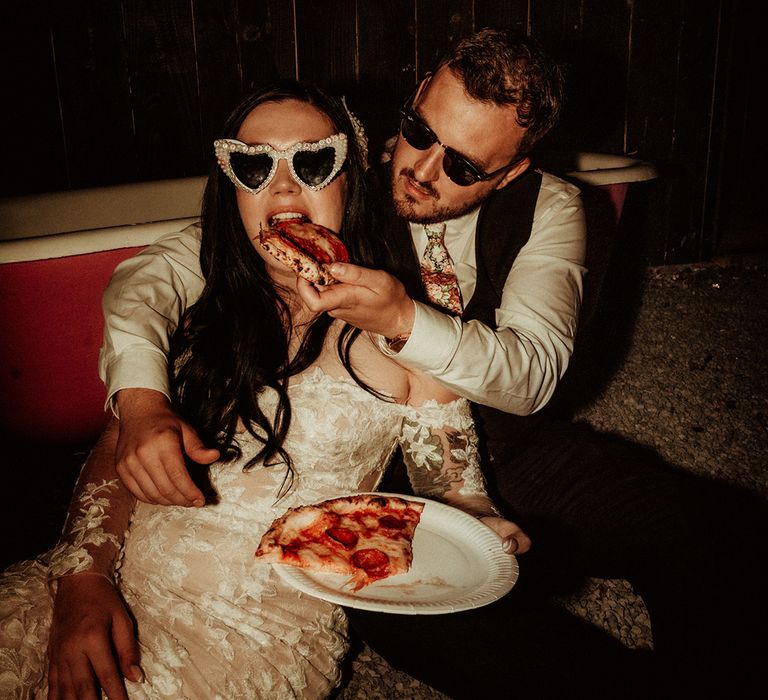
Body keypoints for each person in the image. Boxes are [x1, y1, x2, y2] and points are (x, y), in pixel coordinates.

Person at [91, 29, 768, 698]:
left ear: (514, 169)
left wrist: (404, 320)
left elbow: (532, 376)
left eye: (465, 168)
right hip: (363, 468)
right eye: (420, 132)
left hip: (506, 440)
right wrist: (141, 396)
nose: (421, 170)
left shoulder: (552, 207)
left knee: (704, 532)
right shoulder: (341, 169)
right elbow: (161, 272)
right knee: (429, 615)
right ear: (416, 98)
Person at [0, 80, 528, 699]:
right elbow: (119, 445)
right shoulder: (198, 310)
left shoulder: (408, 333)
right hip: (93, 585)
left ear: (351, 178)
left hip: (247, 635)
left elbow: (457, 500)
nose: (281, 187)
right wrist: (82, 581)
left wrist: (486, 530)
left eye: (312, 162)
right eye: (253, 165)